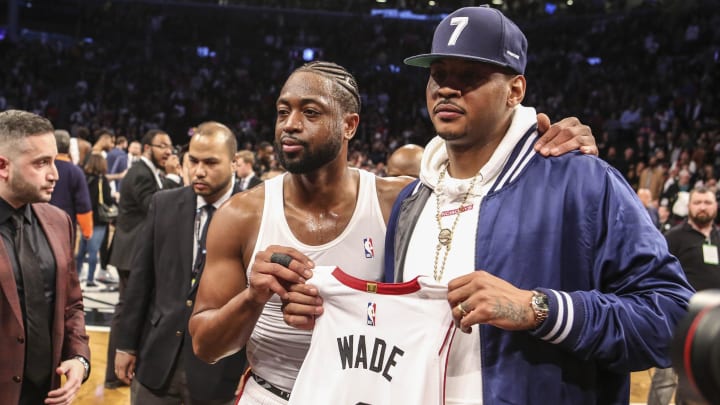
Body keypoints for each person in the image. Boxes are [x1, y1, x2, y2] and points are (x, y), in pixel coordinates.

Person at [188, 60, 597, 404]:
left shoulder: (398, 201)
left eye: (310, 112)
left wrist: (543, 141)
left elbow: (478, 182)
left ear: (349, 125)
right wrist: (253, 297)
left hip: (368, 394)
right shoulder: (241, 215)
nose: (290, 125)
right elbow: (206, 347)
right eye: (282, 111)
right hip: (270, 393)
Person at [379, 7, 690, 404]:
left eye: (470, 76)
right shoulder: (412, 201)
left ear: (515, 90)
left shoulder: (582, 182)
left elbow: (671, 316)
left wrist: (539, 309)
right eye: (439, 75)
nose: (447, 89)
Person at [114, 122, 246, 404]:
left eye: (210, 162)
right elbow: (140, 281)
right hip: (156, 360)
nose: (198, 171)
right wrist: (125, 344)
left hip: (221, 370)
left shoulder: (254, 212)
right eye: (193, 160)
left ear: (234, 163)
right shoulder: (164, 203)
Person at [0, 109, 90, 404]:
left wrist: (79, 357)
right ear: (3, 166)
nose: (54, 174)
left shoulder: (59, 221)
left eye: (53, 160)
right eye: (41, 163)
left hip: (47, 394)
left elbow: (72, 304)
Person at [105, 128, 182, 388]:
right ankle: (113, 375)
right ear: (148, 148)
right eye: (163, 146)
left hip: (136, 251)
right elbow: (153, 205)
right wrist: (173, 177)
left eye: (170, 146)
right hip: (131, 252)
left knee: (129, 309)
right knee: (126, 311)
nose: (168, 151)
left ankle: (123, 368)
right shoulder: (140, 171)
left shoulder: (149, 171)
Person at [647, 187, 719, 405]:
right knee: (665, 379)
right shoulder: (673, 237)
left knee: (700, 383)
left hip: (714, 325)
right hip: (680, 319)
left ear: (715, 205)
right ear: (688, 207)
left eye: (707, 202)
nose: (703, 207)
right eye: (697, 202)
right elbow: (656, 273)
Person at [75, 153, 115, 288]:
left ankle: (77, 274)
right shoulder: (102, 180)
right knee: (93, 250)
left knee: (81, 250)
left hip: (85, 217)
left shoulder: (84, 179)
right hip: (99, 219)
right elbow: (107, 200)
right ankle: (90, 279)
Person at [48, 129, 93, 242]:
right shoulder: (75, 172)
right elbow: (83, 204)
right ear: (69, 147)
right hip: (64, 230)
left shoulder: (40, 167)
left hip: (37, 227)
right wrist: (87, 231)